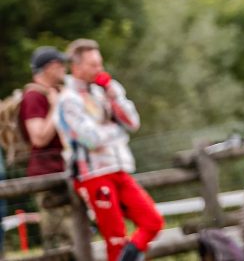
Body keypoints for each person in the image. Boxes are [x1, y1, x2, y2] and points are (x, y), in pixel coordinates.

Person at [56, 39, 163, 261]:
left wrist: (113, 94)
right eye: (93, 65)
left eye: (100, 63)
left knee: (152, 221)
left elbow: (132, 122)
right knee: (115, 238)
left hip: (119, 167)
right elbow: (90, 139)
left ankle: (130, 255)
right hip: (93, 175)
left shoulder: (104, 91)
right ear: (77, 67)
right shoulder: (68, 100)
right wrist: (116, 131)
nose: (99, 69)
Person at [18, 47, 72, 249]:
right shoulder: (34, 96)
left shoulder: (56, 93)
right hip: (47, 174)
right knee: (59, 238)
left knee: (75, 233)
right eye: (60, 65)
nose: (64, 69)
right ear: (48, 68)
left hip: (64, 169)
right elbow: (39, 138)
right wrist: (56, 107)